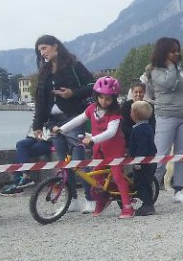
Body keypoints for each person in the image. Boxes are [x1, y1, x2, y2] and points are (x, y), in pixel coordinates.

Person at [31, 34, 96, 213]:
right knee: (62, 163)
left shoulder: (74, 66)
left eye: (44, 48)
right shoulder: (44, 73)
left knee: (78, 161)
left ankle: (90, 198)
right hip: (53, 123)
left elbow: (93, 84)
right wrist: (37, 125)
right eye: (40, 50)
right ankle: (71, 199)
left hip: (74, 118)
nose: (42, 53)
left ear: (56, 46)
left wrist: (72, 93)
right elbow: (40, 101)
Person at [55, 76, 134, 219]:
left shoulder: (115, 114)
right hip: (98, 148)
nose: (104, 101)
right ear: (96, 96)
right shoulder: (92, 109)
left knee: (117, 176)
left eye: (108, 99)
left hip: (114, 149)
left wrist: (92, 139)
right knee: (96, 177)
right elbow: (79, 119)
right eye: (101, 98)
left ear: (114, 100)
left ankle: (128, 206)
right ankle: (101, 200)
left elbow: (111, 132)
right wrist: (62, 129)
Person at [146, 37, 183, 204]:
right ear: (163, 52)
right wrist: (171, 66)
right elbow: (168, 84)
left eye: (178, 50)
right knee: (161, 155)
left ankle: (178, 189)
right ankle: (150, 189)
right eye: (172, 51)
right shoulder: (155, 71)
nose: (176, 54)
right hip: (166, 116)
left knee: (181, 154)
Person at [128, 100, 158, 216]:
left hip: (143, 162)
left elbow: (142, 147)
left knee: (141, 183)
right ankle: (148, 203)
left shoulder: (140, 130)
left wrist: (138, 161)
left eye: (131, 111)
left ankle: (147, 205)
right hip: (150, 160)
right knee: (147, 182)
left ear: (134, 114)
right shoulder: (147, 127)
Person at [121, 81, 154, 147]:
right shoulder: (126, 106)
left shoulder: (149, 106)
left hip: (147, 139)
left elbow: (153, 123)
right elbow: (124, 124)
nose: (138, 94)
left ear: (144, 92)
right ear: (132, 92)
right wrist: (135, 134)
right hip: (130, 139)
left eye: (141, 92)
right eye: (136, 92)